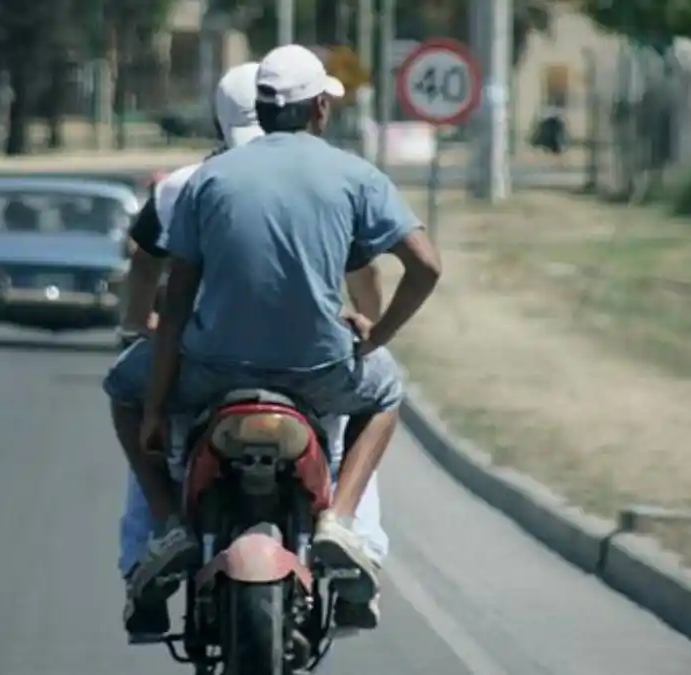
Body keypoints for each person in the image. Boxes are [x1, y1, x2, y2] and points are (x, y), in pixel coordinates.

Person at [106, 43, 442, 634]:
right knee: (387, 392)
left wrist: (156, 408)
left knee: (121, 390)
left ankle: (167, 523)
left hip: (213, 370)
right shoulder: (355, 176)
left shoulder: (208, 180)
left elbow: (175, 302)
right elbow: (426, 266)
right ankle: (341, 521)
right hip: (318, 373)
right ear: (320, 108)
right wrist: (376, 335)